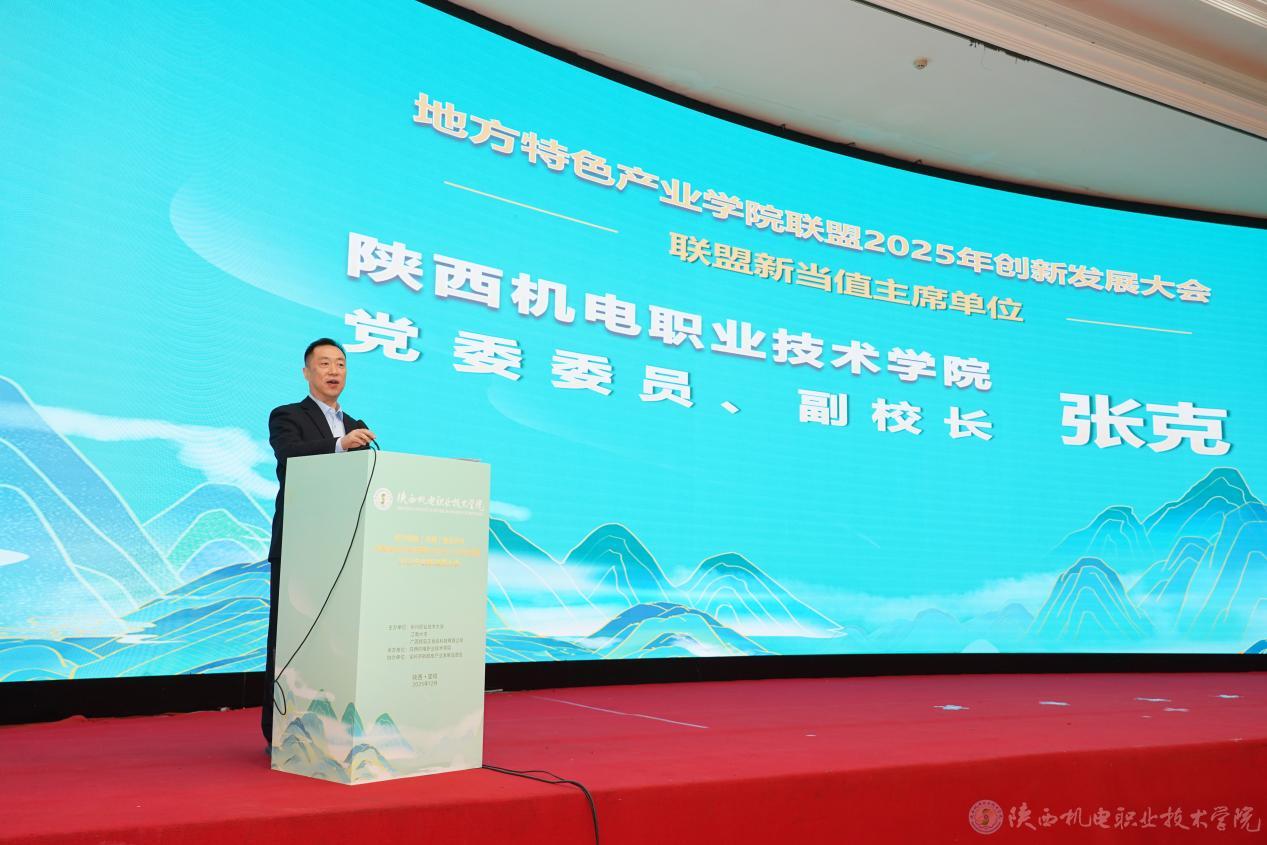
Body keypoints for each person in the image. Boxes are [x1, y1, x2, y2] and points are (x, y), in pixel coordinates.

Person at [262, 338, 375, 744]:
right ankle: (278, 732)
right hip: (299, 545)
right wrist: (339, 445)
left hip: (344, 550)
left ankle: (334, 730)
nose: (334, 371)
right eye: (324, 363)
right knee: (289, 638)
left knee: (338, 640)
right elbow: (289, 455)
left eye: (340, 364)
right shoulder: (287, 416)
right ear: (306, 372)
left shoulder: (356, 423)